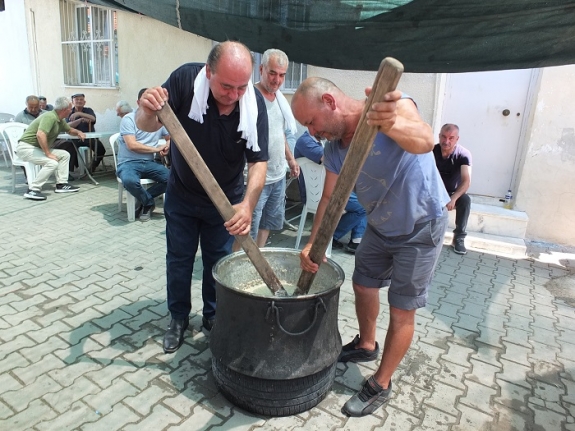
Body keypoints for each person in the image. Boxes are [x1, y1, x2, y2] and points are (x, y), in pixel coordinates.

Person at [291, 77, 449, 418]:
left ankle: (381, 383)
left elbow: (424, 140)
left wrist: (390, 123)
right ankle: (366, 344)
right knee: (363, 284)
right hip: (380, 225)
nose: (312, 132)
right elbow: (331, 198)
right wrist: (312, 244)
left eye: (311, 122)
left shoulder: (388, 107)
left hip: (421, 223)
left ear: (330, 102)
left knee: (402, 308)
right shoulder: (334, 150)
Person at [135, 41, 269, 354]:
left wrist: (248, 205)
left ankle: (213, 316)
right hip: (182, 193)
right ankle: (178, 318)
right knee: (179, 260)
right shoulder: (184, 81)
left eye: (241, 87)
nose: (234, 96)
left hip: (226, 203)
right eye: (226, 86)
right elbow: (148, 124)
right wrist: (146, 106)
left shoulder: (254, 103)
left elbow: (259, 161)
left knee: (218, 262)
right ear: (208, 72)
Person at [236, 48, 299, 250]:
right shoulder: (248, 97)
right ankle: (241, 264)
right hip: (254, 178)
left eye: (282, 75)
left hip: (278, 175)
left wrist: (291, 159)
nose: (277, 80)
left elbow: (279, 133)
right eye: (272, 73)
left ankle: (259, 258)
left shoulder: (280, 99)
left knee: (268, 223)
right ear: (261, 69)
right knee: (247, 229)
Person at [294, 130, 367, 253]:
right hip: (315, 194)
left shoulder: (318, 142)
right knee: (362, 207)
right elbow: (329, 160)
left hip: (328, 189)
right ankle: (333, 235)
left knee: (362, 197)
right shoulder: (305, 142)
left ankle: (356, 238)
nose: (327, 132)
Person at [116, 89, 170, 222]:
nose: (151, 105)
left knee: (173, 179)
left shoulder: (159, 120)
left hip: (149, 163)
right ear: (138, 102)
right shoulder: (128, 119)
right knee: (129, 181)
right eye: (147, 101)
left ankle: (145, 199)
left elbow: (170, 137)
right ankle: (149, 203)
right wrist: (156, 149)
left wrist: (168, 144)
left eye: (154, 101)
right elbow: (132, 145)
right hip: (128, 163)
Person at [16, 96, 85, 200]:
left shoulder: (59, 119)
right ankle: (33, 189)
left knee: (64, 154)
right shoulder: (50, 117)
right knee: (52, 162)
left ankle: (61, 184)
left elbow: (69, 130)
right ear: (64, 110)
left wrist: (78, 132)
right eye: (70, 109)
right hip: (26, 148)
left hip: (36, 148)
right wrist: (48, 153)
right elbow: (40, 134)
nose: (71, 110)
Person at [433, 124, 472, 255]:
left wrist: (453, 198)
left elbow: (466, 181)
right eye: (443, 137)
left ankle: (459, 238)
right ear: (439, 136)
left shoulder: (463, 154)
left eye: (451, 138)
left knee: (465, 200)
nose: (446, 141)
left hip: (452, 193)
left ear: (457, 139)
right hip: (434, 191)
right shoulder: (431, 151)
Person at [66, 93, 106, 172]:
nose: (79, 101)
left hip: (89, 138)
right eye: (77, 100)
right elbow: (67, 126)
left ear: (84, 102)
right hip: (74, 138)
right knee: (69, 149)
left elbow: (93, 119)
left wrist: (79, 114)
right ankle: (69, 172)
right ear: (72, 102)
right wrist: (80, 120)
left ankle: (92, 168)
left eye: (81, 99)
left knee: (101, 149)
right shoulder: (69, 111)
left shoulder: (88, 110)